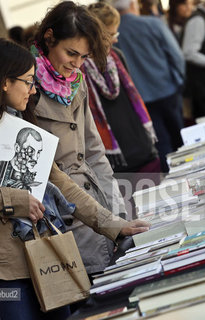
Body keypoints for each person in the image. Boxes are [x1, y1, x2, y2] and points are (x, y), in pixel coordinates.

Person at [0, 38, 149, 320]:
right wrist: (15, 200)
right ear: (4, 82)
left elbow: (62, 182)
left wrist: (115, 225)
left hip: (44, 255)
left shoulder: (21, 124)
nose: (33, 91)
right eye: (28, 82)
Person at [31, 1, 130, 275]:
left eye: (83, 57)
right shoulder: (23, 87)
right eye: (71, 53)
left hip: (97, 206)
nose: (76, 64)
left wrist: (117, 214)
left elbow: (95, 152)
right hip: (59, 217)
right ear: (49, 38)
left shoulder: (77, 82)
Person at [82, 2, 160, 176]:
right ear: (94, 35)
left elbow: (133, 99)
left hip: (140, 145)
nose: (116, 39)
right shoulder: (79, 70)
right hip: (115, 155)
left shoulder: (117, 56)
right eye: (111, 34)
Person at [112, 0, 186, 173]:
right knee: (181, 139)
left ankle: (175, 181)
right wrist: (180, 80)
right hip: (167, 89)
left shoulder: (112, 36)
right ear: (132, 5)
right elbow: (177, 56)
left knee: (162, 145)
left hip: (140, 101)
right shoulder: (153, 23)